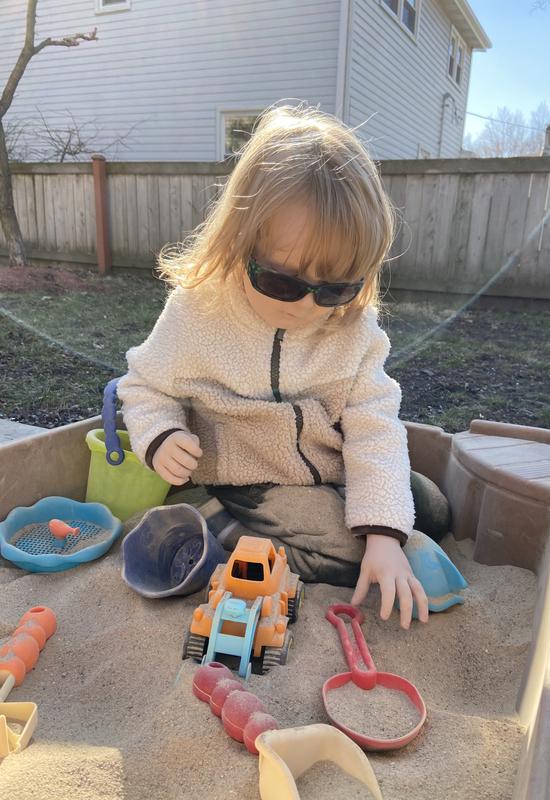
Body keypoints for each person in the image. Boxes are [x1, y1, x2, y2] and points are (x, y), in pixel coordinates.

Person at [117, 102, 431, 629]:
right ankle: (216, 523)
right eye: (283, 282)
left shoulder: (354, 330)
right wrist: (160, 435)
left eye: (335, 287)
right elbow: (144, 385)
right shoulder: (198, 310)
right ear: (240, 243)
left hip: (324, 482)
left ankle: (237, 534)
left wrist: (384, 534)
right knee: (353, 552)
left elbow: (376, 429)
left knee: (430, 508)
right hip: (242, 483)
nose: (308, 305)